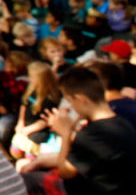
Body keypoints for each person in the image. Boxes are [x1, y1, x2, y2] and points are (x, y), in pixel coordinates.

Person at [20, 66, 136, 194]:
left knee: (24, 180)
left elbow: (65, 172)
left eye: (70, 101)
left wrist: (65, 133)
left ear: (81, 99)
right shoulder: (122, 123)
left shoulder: (92, 135)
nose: (72, 107)